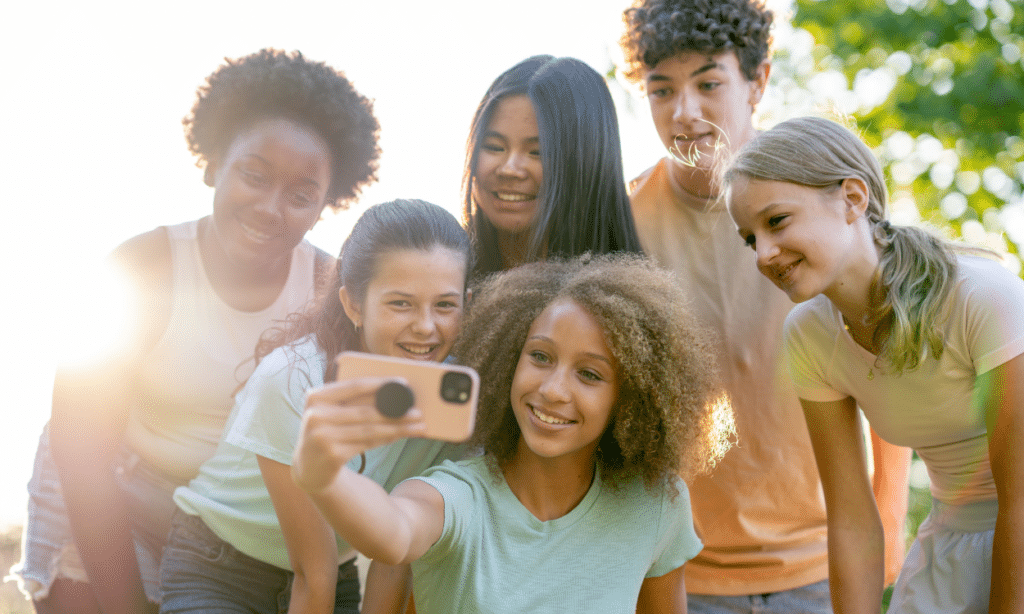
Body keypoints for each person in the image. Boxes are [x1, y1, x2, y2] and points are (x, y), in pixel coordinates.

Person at [12, 48, 381, 614]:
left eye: (301, 194)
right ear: (213, 163)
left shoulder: (334, 296)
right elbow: (81, 450)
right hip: (113, 508)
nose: (270, 207)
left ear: (327, 202)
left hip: (234, 534)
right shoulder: (141, 268)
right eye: (254, 177)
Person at [618, 1, 910, 611]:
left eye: (708, 83)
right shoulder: (623, 221)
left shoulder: (820, 203)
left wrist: (888, 528)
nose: (685, 111)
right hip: (681, 572)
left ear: (758, 81)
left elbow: (888, 359)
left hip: (822, 560)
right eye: (662, 89)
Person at [291, 253, 736, 613]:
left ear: (632, 396)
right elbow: (395, 532)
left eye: (589, 374)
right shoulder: (457, 497)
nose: (553, 390)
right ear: (508, 359)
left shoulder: (656, 506)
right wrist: (326, 477)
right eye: (540, 357)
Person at [726, 115, 1024, 614]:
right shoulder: (809, 335)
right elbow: (851, 519)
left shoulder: (982, 298)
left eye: (776, 221)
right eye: (750, 238)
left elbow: (1020, 501)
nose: (763, 254)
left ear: (852, 198)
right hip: (951, 547)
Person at [158, 199, 472, 614]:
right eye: (401, 303)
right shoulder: (291, 380)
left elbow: (394, 563)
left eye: (445, 305)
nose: (426, 326)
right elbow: (312, 575)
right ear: (353, 304)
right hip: (222, 567)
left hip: (335, 573)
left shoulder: (453, 402)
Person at [462, 55, 644, 277]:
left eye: (538, 152)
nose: (509, 169)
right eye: (494, 147)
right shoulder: (440, 276)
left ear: (586, 164)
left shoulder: (618, 299)